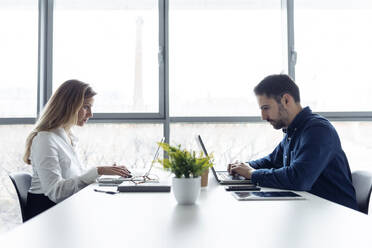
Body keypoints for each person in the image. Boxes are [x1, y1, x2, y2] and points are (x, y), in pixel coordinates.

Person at [228, 74, 358, 211]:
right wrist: (244, 166)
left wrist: (252, 173)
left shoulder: (318, 130)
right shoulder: (294, 130)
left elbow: (298, 179)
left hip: (337, 216)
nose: (263, 116)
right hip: (311, 210)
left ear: (286, 100)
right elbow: (271, 161)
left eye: (266, 108)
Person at [23, 80, 131, 220]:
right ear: (69, 106)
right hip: (48, 214)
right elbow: (56, 192)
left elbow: (74, 179)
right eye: (86, 107)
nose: (91, 114)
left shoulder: (68, 137)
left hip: (65, 209)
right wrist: (98, 171)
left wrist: (105, 173)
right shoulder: (45, 140)